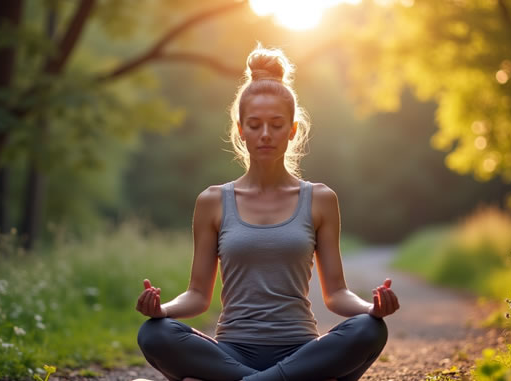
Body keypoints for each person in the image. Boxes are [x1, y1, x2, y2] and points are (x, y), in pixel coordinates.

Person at [135, 45, 399, 381]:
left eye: (276, 125)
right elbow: (198, 295)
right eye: (255, 124)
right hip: (232, 352)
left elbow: (336, 294)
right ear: (241, 130)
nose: (265, 134)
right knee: (154, 333)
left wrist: (371, 309)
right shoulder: (213, 201)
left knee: (369, 329)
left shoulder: (320, 199)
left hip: (300, 350)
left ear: (292, 130)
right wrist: (162, 310)